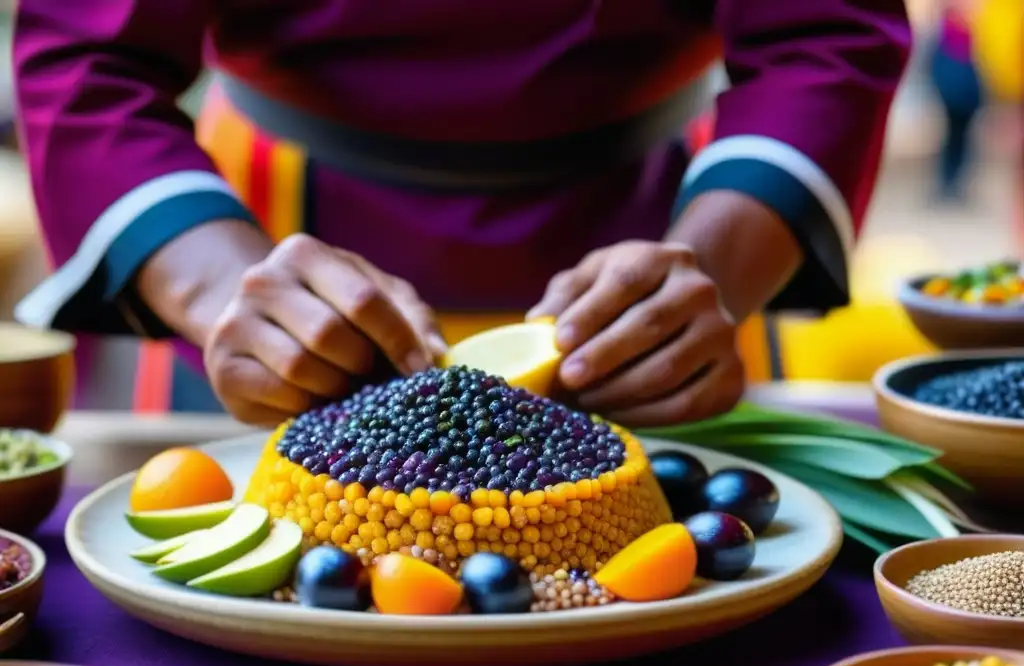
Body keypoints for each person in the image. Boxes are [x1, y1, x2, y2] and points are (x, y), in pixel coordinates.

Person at [12, 1, 910, 428]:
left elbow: (824, 32)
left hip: (666, 247)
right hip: (268, 252)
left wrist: (713, 269)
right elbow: (90, 53)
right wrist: (217, 289)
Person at [928, 0, 985, 202]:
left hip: (965, 92)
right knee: (954, 136)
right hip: (955, 91)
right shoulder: (948, 32)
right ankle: (948, 182)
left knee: (961, 138)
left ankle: (954, 182)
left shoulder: (968, 31)